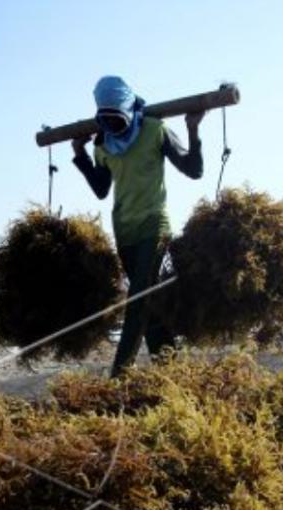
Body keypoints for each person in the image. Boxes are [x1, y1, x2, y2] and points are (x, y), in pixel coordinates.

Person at [72, 75, 204, 376]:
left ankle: (119, 376)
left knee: (138, 298)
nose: (112, 126)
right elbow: (101, 190)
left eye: (117, 118)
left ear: (129, 108)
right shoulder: (103, 145)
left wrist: (192, 128)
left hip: (154, 225)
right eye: (106, 120)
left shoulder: (155, 130)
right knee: (149, 304)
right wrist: (80, 154)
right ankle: (172, 370)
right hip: (124, 231)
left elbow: (194, 170)